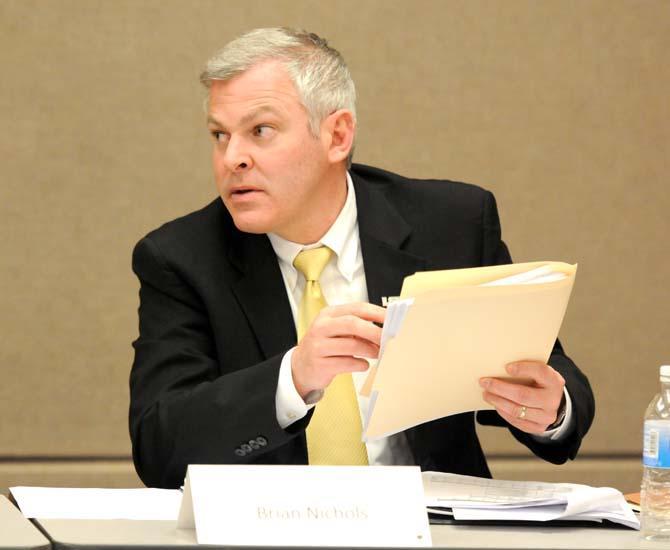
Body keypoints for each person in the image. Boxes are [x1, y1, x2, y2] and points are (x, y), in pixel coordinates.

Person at [129, 27, 594, 489]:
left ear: (337, 135)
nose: (233, 158)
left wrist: (552, 409)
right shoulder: (181, 259)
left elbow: (548, 372)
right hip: (273, 531)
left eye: (260, 131)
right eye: (219, 135)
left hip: (430, 527)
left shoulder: (450, 225)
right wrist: (293, 378)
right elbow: (159, 448)